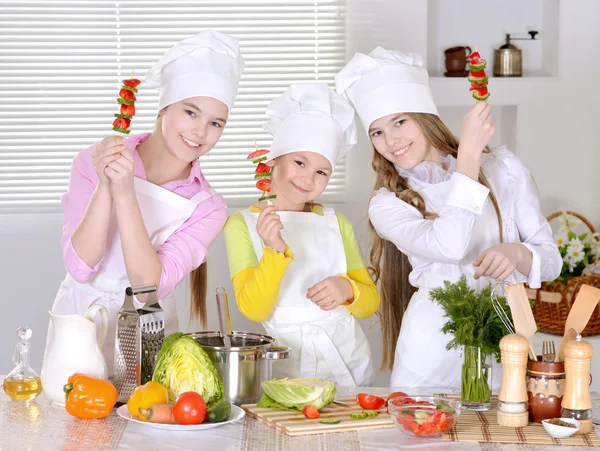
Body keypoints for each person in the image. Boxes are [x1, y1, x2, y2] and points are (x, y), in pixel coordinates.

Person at [335, 47, 561, 389]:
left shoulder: (503, 169)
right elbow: (450, 244)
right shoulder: (388, 203)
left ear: (425, 116)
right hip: (430, 350)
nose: (390, 140)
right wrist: (468, 157)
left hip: (498, 337)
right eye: (377, 132)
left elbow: (551, 263)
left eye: (399, 121)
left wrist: (517, 253)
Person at [46, 31, 245, 374]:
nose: (200, 132)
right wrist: (105, 186)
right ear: (164, 107)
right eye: (191, 112)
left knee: (145, 417)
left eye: (215, 123)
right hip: (78, 325)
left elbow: (146, 292)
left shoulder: (208, 207)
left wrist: (125, 194)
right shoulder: (93, 161)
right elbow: (80, 266)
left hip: (147, 335)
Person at [223, 83, 379, 386]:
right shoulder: (241, 225)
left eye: (322, 172)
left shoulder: (337, 223)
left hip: (347, 358)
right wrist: (273, 250)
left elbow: (369, 303)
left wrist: (346, 289)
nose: (308, 178)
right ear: (271, 162)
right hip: (285, 364)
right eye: (299, 162)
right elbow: (254, 310)